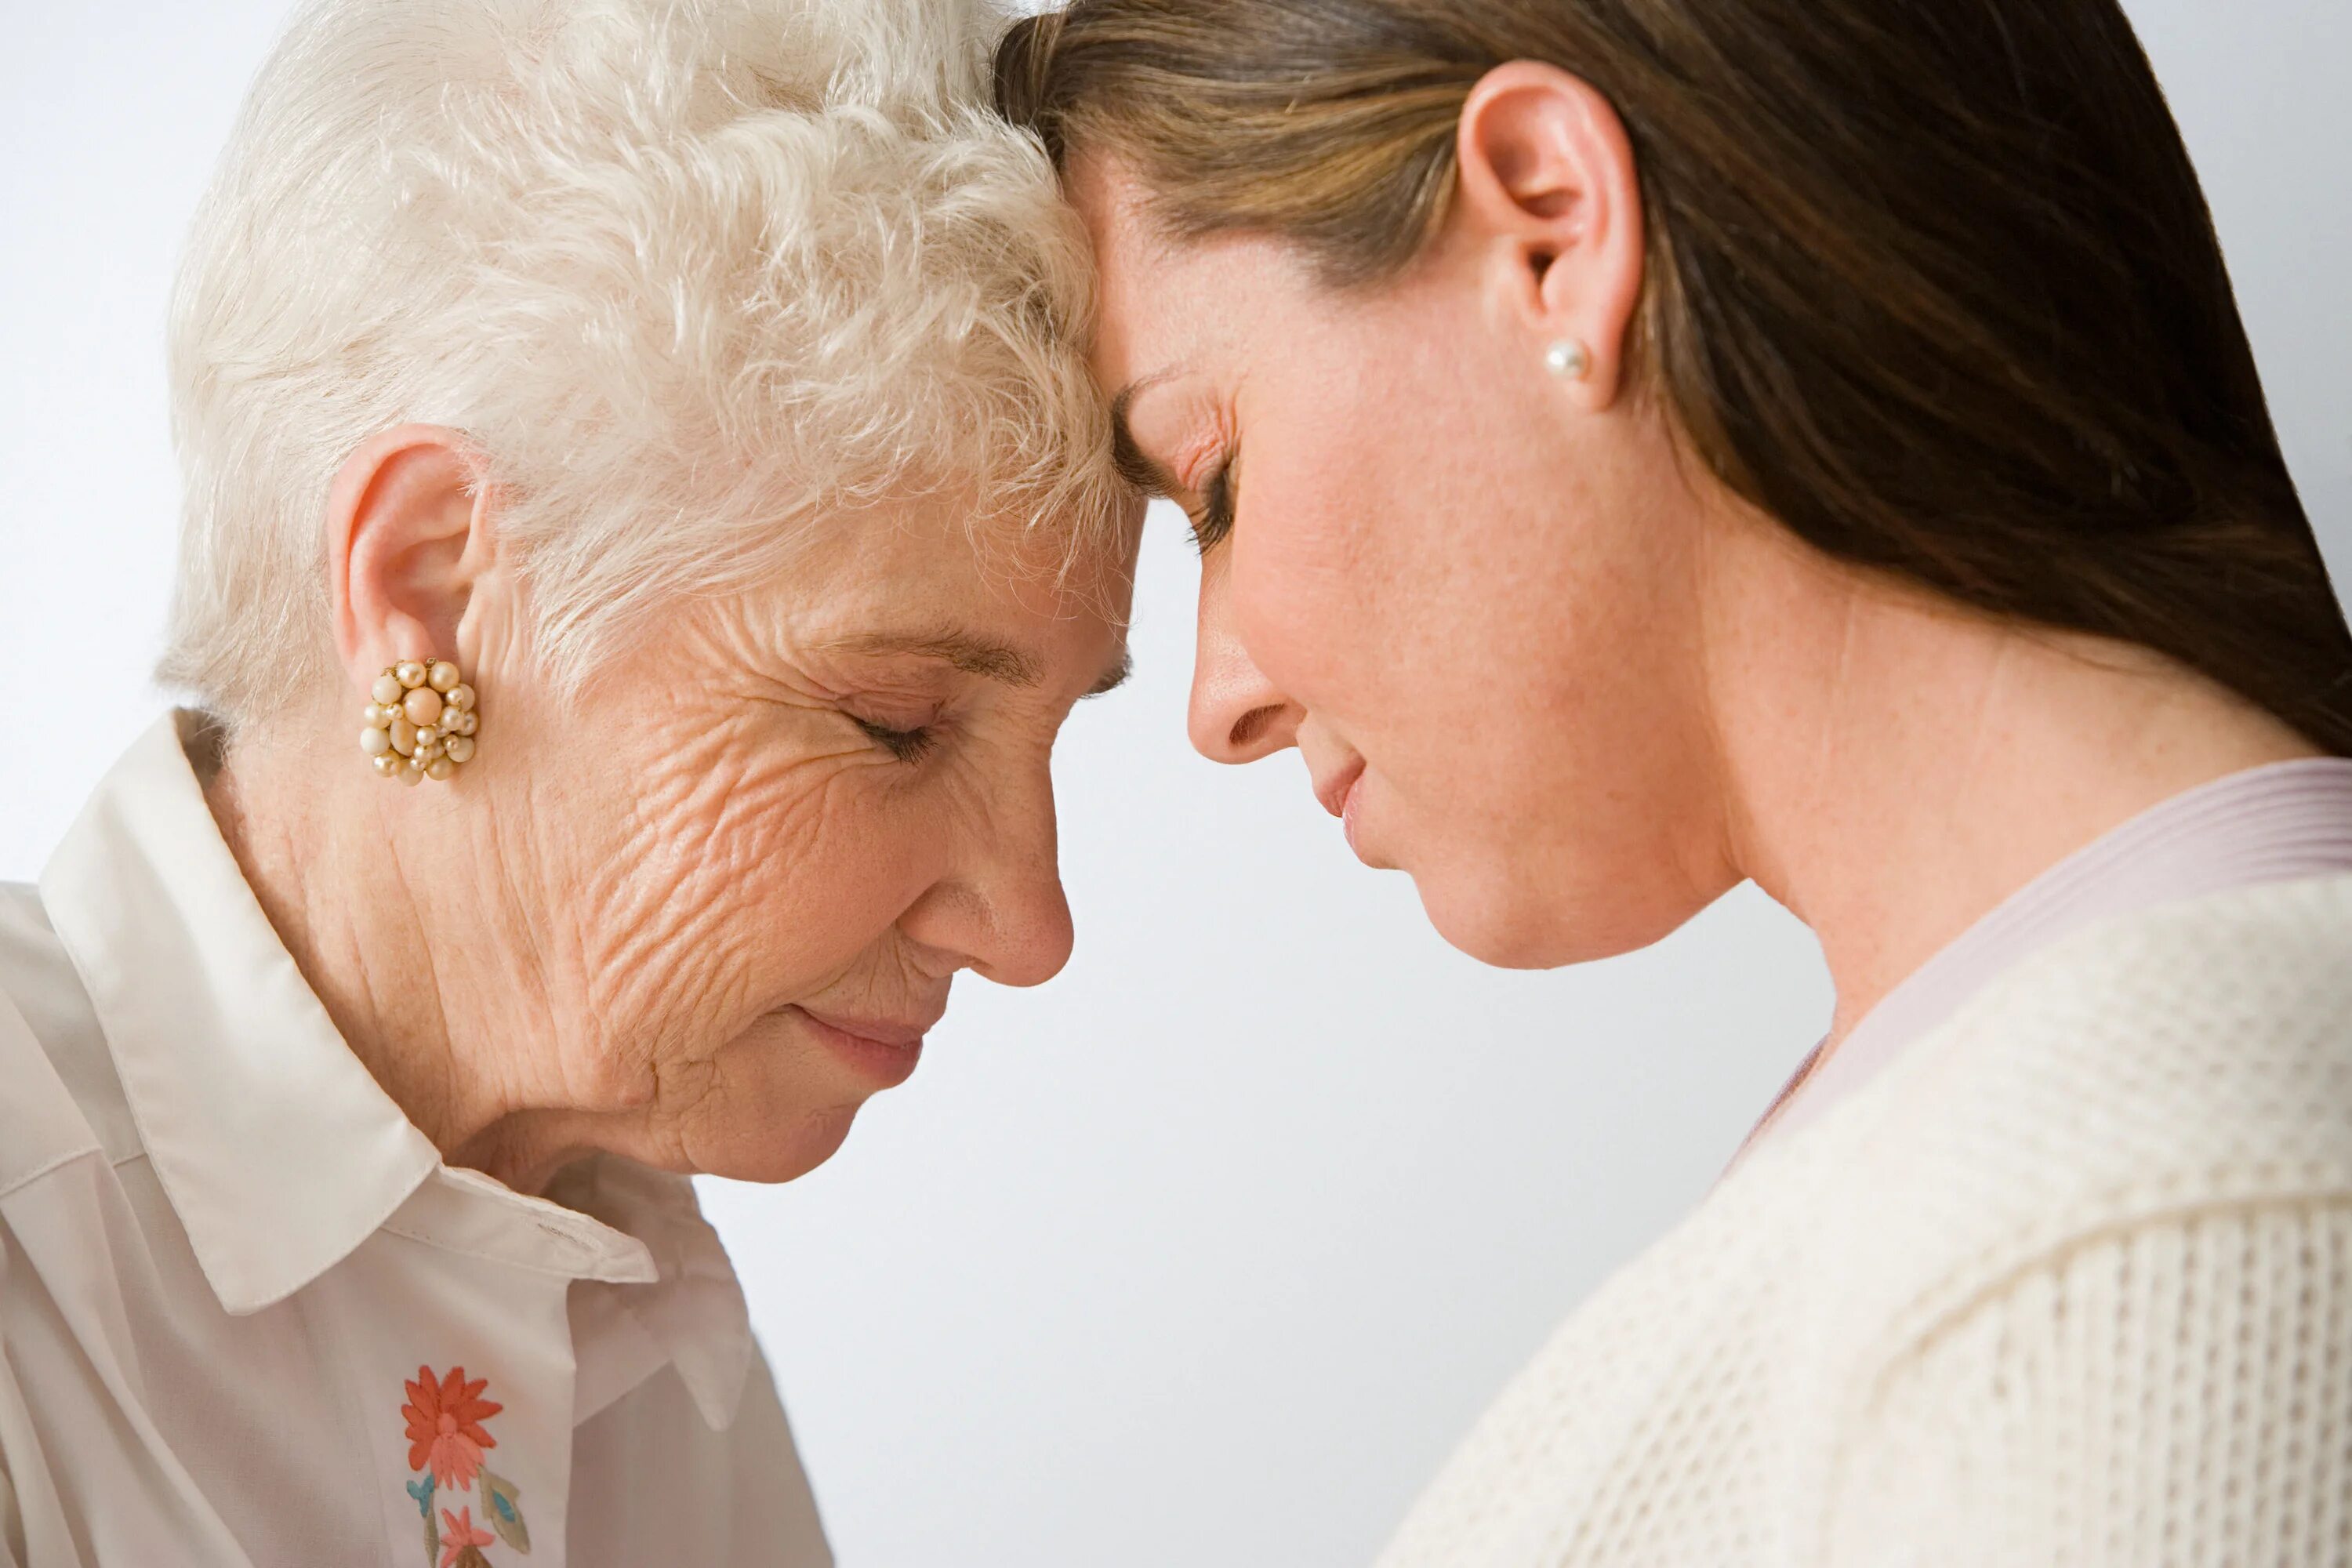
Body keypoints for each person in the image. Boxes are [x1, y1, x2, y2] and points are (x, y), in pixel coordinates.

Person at [996, 1, 2352, 1562]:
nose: (1215, 700)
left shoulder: (2158, 1226)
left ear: (1554, 235)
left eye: (1211, 480)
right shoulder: (2051, 1180)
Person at [0, 0, 1134, 1562]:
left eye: (1063, 730)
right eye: (897, 719)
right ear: (433, 590)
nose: (1029, 926)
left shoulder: (629, 1294)